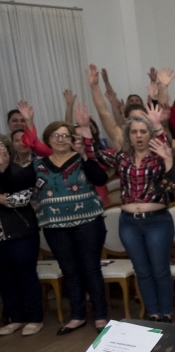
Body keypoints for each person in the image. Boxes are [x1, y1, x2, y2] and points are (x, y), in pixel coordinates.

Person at [3, 120, 110, 334]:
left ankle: (101, 316)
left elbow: (101, 178)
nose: (61, 140)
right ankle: (77, 316)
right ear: (48, 139)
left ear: (72, 140)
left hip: (88, 222)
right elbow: (12, 185)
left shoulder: (81, 159)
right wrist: (4, 166)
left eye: (65, 136)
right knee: (69, 270)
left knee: (91, 269)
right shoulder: (37, 165)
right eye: (56, 136)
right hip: (55, 226)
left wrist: (86, 156)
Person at [86, 106, 175, 322]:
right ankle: (153, 312)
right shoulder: (122, 158)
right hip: (129, 224)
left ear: (149, 135)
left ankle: (166, 312)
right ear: (128, 135)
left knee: (160, 269)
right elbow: (95, 154)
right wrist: (84, 129)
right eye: (134, 132)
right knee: (142, 270)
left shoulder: (159, 157)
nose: (139, 136)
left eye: (143, 131)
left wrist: (158, 127)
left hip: (157, 222)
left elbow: (172, 182)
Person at [0, 137, 43, 336]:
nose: (0, 154)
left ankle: (34, 318)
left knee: (26, 278)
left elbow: (20, 199)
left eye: (2, 150)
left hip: (22, 234)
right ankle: (16, 318)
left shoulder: (21, 172)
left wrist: (5, 198)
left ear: (9, 152)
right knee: (5, 280)